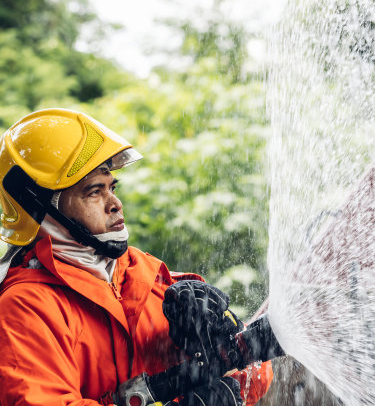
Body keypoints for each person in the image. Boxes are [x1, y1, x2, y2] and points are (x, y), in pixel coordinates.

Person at [0, 109, 273, 406]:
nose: (115, 204)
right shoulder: (25, 310)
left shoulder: (149, 279)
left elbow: (253, 378)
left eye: (111, 187)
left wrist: (238, 348)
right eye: (94, 192)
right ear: (41, 208)